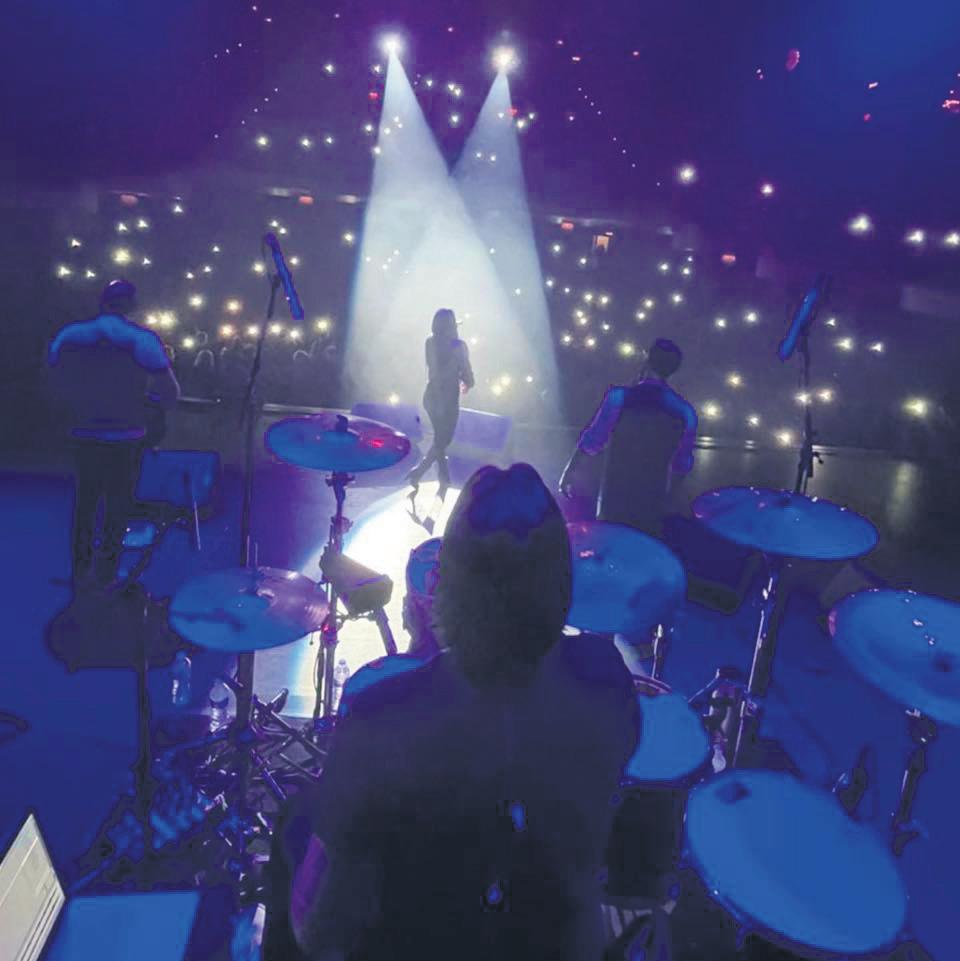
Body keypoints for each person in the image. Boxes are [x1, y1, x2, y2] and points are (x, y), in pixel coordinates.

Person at [266, 464, 637, 961]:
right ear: (562, 582)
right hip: (561, 942)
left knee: (295, 821)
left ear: (444, 587)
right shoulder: (606, 681)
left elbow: (321, 936)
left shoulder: (382, 715)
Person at [48, 279, 180, 584]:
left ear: (101, 302)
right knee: (118, 505)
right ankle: (107, 574)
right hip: (126, 435)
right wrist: (149, 405)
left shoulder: (71, 335)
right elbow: (170, 392)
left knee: (85, 502)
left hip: (83, 431)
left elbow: (53, 377)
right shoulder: (140, 339)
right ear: (132, 306)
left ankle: (80, 570)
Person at [560, 338, 697, 538]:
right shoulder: (685, 412)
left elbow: (592, 441)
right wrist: (668, 498)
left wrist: (569, 472)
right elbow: (682, 465)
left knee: (610, 546)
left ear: (647, 360)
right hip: (652, 502)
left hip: (613, 497)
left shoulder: (618, 397)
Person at [407, 308, 474, 497]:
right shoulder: (459, 346)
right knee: (443, 441)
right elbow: (467, 375)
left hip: (431, 397)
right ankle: (420, 472)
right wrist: (467, 381)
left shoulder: (430, 342)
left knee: (440, 439)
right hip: (447, 399)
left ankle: (443, 478)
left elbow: (434, 371)